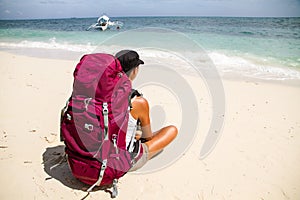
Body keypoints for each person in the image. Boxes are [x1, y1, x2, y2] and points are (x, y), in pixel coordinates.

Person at [115, 50, 178, 171]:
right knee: (171, 130)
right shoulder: (137, 101)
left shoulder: (97, 92)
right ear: (135, 70)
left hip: (94, 154)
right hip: (119, 162)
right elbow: (147, 137)